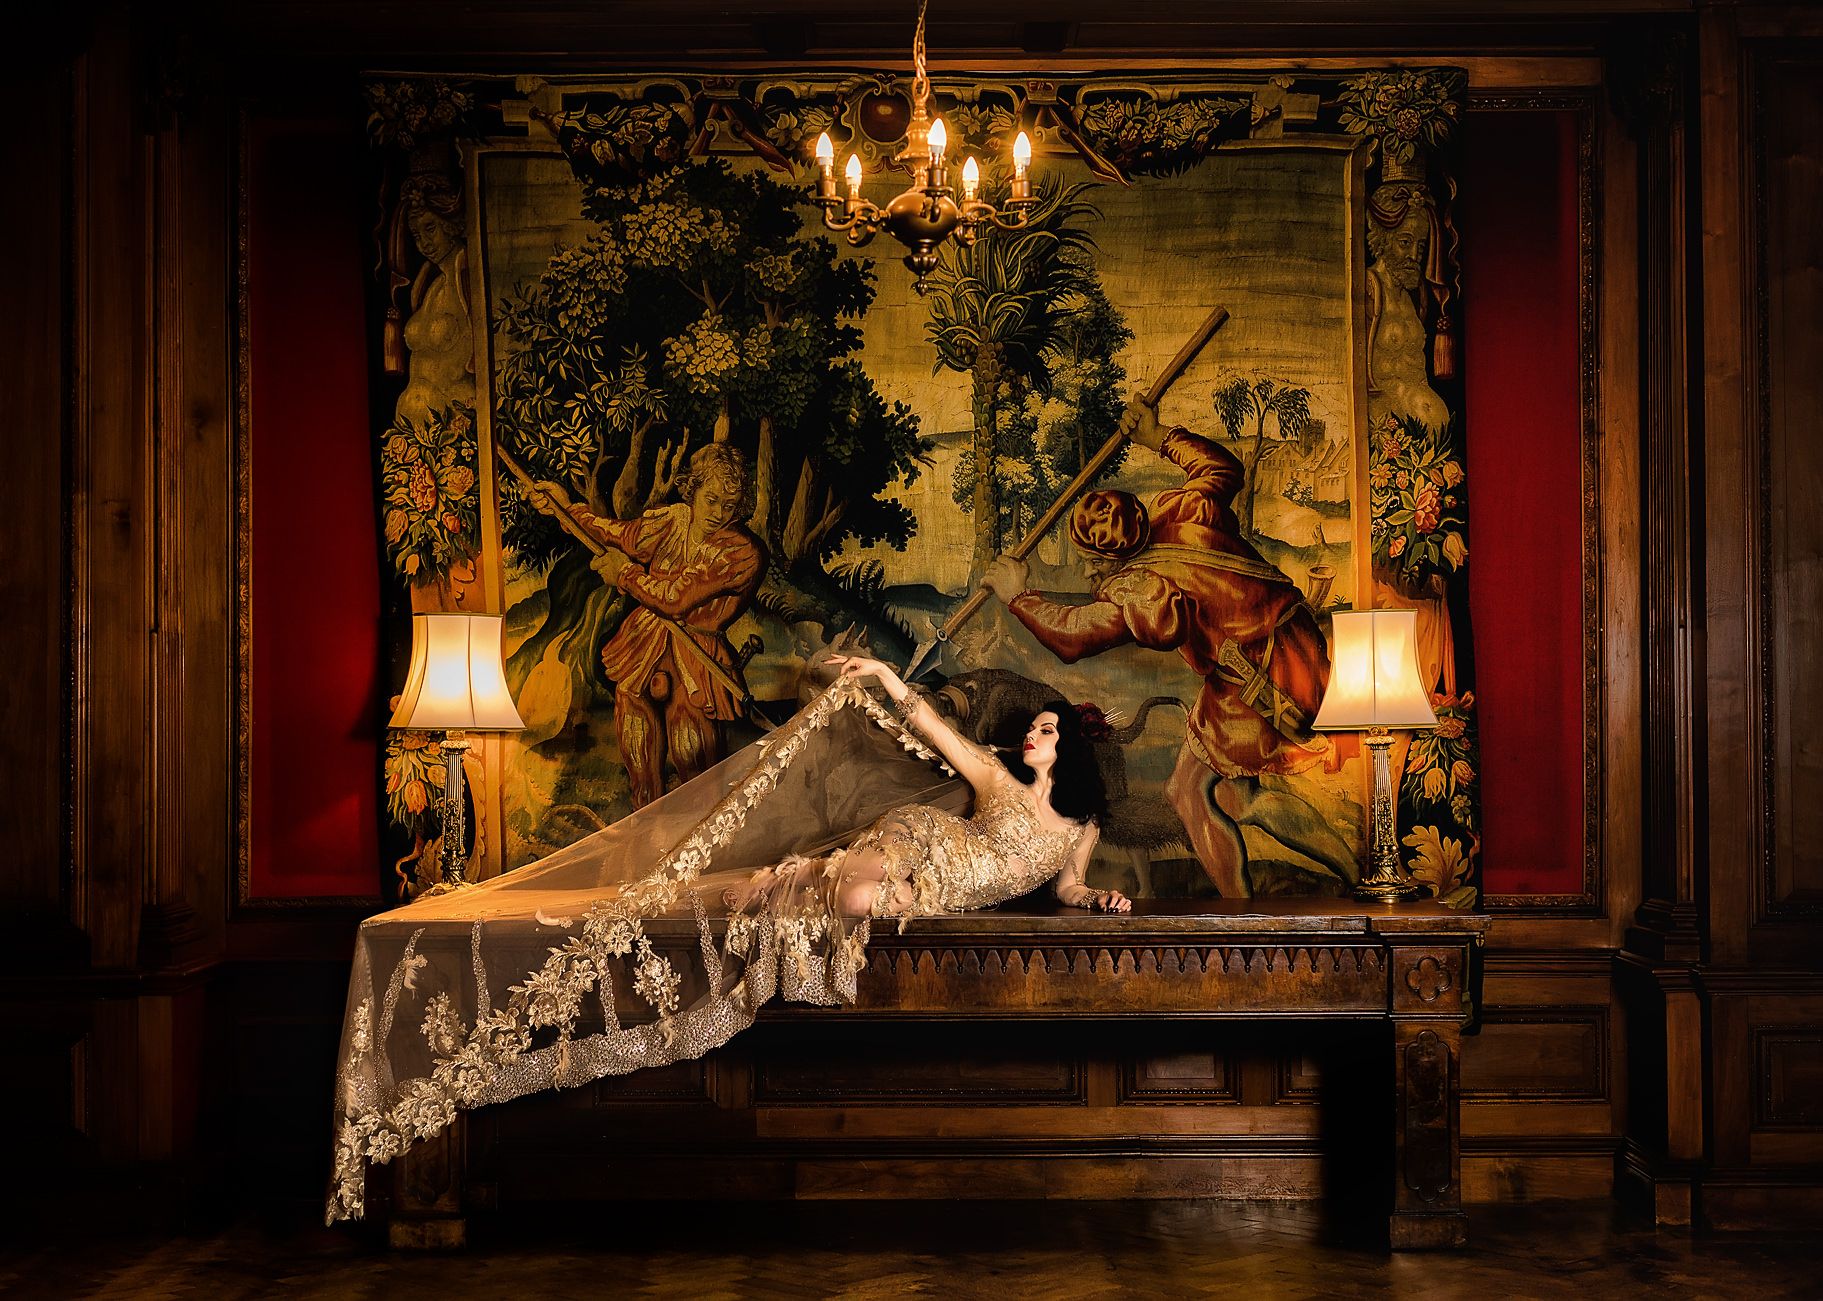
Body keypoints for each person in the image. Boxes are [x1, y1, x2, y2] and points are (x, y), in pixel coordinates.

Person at [982, 394, 1355, 898]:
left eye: (1094, 561)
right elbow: (1222, 468)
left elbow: (1075, 636)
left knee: (1188, 793)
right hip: (1293, 642)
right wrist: (1158, 436)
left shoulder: (1142, 587)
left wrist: (1018, 596)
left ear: (1115, 557)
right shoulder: (1180, 510)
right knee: (1236, 798)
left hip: (1257, 673)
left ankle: (1240, 912)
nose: (1089, 570)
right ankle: (1331, 878)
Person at [529, 444, 765, 808]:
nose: (719, 513)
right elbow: (617, 534)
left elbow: (675, 598)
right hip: (640, 648)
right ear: (693, 490)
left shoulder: (742, 552)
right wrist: (565, 508)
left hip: (696, 663)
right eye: (711, 499)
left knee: (696, 772)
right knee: (639, 767)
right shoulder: (673, 520)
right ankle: (644, 841)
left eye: (729, 505)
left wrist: (623, 573)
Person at [806, 655, 1131, 920]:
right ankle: (781, 878)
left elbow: (1070, 888)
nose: (1030, 735)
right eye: (1030, 729)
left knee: (858, 898)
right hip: (924, 837)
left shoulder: (1084, 824)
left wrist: (1099, 898)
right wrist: (882, 671)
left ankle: (781, 886)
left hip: (933, 892)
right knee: (878, 868)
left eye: (1046, 731)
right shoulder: (997, 776)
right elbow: (933, 726)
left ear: (1071, 745)